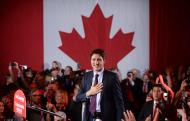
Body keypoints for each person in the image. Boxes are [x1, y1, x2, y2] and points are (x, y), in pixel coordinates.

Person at [76, 49, 124, 121]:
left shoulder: (112, 77)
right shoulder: (86, 76)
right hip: (89, 118)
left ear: (104, 61)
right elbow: (78, 98)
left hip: (106, 118)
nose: (96, 62)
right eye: (93, 59)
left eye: (99, 59)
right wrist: (89, 93)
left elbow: (119, 103)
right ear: (90, 61)